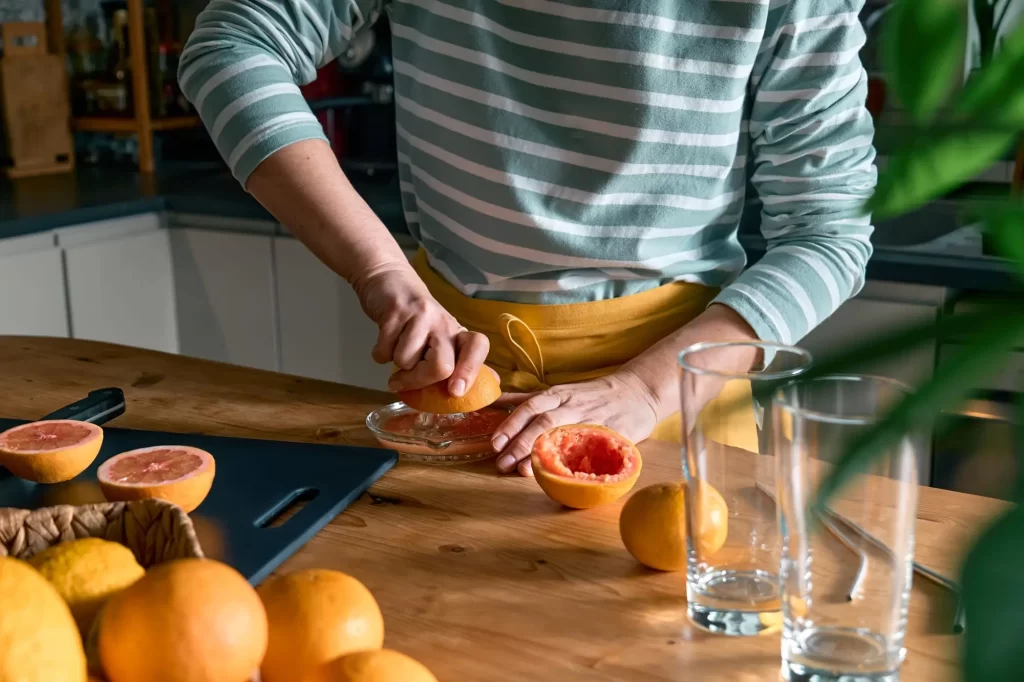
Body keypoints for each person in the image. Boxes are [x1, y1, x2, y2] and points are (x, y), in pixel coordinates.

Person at [179, 0, 875, 477]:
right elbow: (230, 45)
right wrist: (382, 272)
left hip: (674, 397)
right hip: (455, 394)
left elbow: (829, 231)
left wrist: (647, 390)